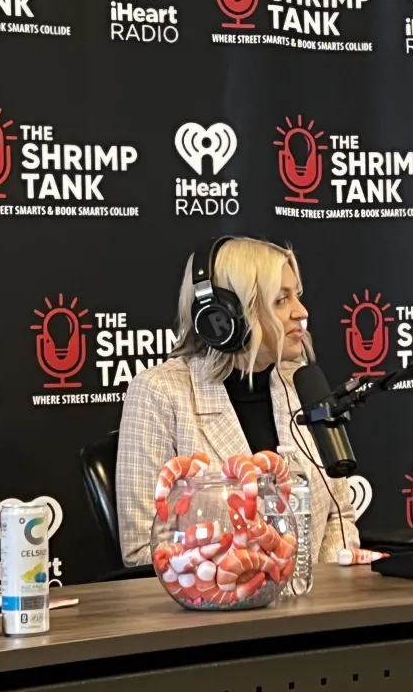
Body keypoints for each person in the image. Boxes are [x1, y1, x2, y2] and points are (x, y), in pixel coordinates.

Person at [115, 236, 360, 567]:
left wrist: (323, 591)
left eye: (296, 296)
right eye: (281, 300)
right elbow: (143, 549)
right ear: (225, 317)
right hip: (211, 613)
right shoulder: (160, 393)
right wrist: (249, 586)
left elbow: (339, 516)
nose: (301, 312)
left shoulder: (301, 384)